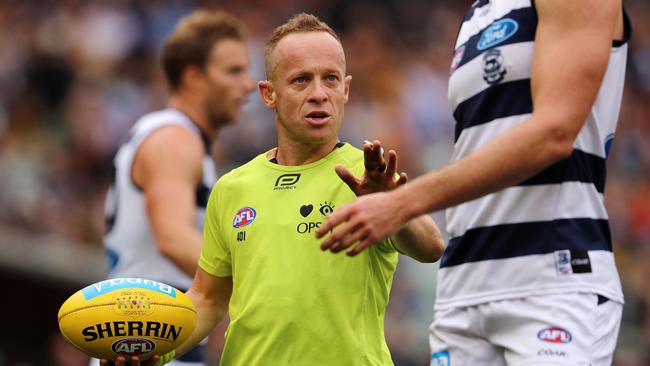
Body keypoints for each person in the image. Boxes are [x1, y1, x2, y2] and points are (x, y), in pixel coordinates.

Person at [317, 0, 632, 365]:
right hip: (465, 283)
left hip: (551, 277)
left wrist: (402, 203)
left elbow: (554, 133)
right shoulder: (478, 15)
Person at [134, 12, 444, 366]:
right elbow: (207, 299)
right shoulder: (233, 187)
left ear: (345, 90)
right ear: (269, 94)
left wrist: (391, 205)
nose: (318, 94)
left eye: (330, 79)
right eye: (300, 80)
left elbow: (432, 246)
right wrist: (152, 348)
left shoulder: (369, 176)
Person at [97, 10, 254, 366]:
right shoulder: (175, 139)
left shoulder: (175, 137)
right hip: (148, 337)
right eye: (233, 71)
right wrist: (257, 276)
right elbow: (172, 237)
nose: (248, 85)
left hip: (151, 337)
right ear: (193, 77)